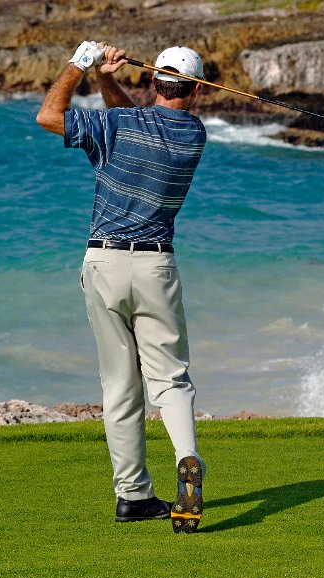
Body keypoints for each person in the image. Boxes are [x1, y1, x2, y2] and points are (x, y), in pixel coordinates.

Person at [36, 41, 206, 533]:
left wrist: (79, 63)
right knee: (170, 380)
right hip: (156, 268)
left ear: (153, 80)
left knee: (119, 386)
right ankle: (187, 459)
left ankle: (132, 494)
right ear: (193, 90)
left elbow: (49, 115)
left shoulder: (120, 127)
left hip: (104, 264)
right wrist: (108, 81)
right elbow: (138, 125)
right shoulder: (193, 135)